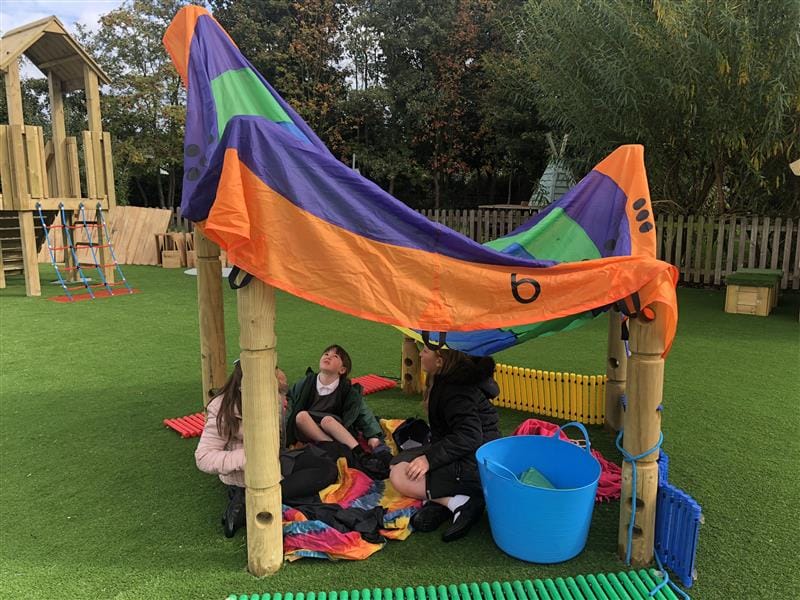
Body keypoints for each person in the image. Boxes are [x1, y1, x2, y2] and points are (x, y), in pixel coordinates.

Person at [195, 361, 339, 537]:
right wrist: (251, 458)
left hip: (275, 461)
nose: (279, 373)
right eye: (275, 370)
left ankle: (248, 501)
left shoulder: (272, 395)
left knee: (328, 466)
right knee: (317, 480)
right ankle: (248, 503)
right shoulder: (222, 407)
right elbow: (203, 457)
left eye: (276, 367)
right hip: (247, 474)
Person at [389, 346, 500, 542]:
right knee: (398, 462)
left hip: (478, 462)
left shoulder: (456, 389)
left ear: (440, 360)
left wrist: (429, 460)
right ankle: (445, 500)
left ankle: (459, 502)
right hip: (468, 452)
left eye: (425, 351)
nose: (421, 354)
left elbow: (469, 436)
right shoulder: (448, 378)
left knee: (399, 475)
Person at [284, 345, 386, 455]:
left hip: (334, 428)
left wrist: (373, 435)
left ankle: (358, 452)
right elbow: (291, 402)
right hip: (308, 428)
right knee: (301, 416)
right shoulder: (306, 383)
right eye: (326, 354)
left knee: (328, 421)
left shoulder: (347, 390)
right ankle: (332, 446)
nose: (328, 357)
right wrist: (284, 431)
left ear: (342, 370)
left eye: (335, 356)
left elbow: (363, 412)